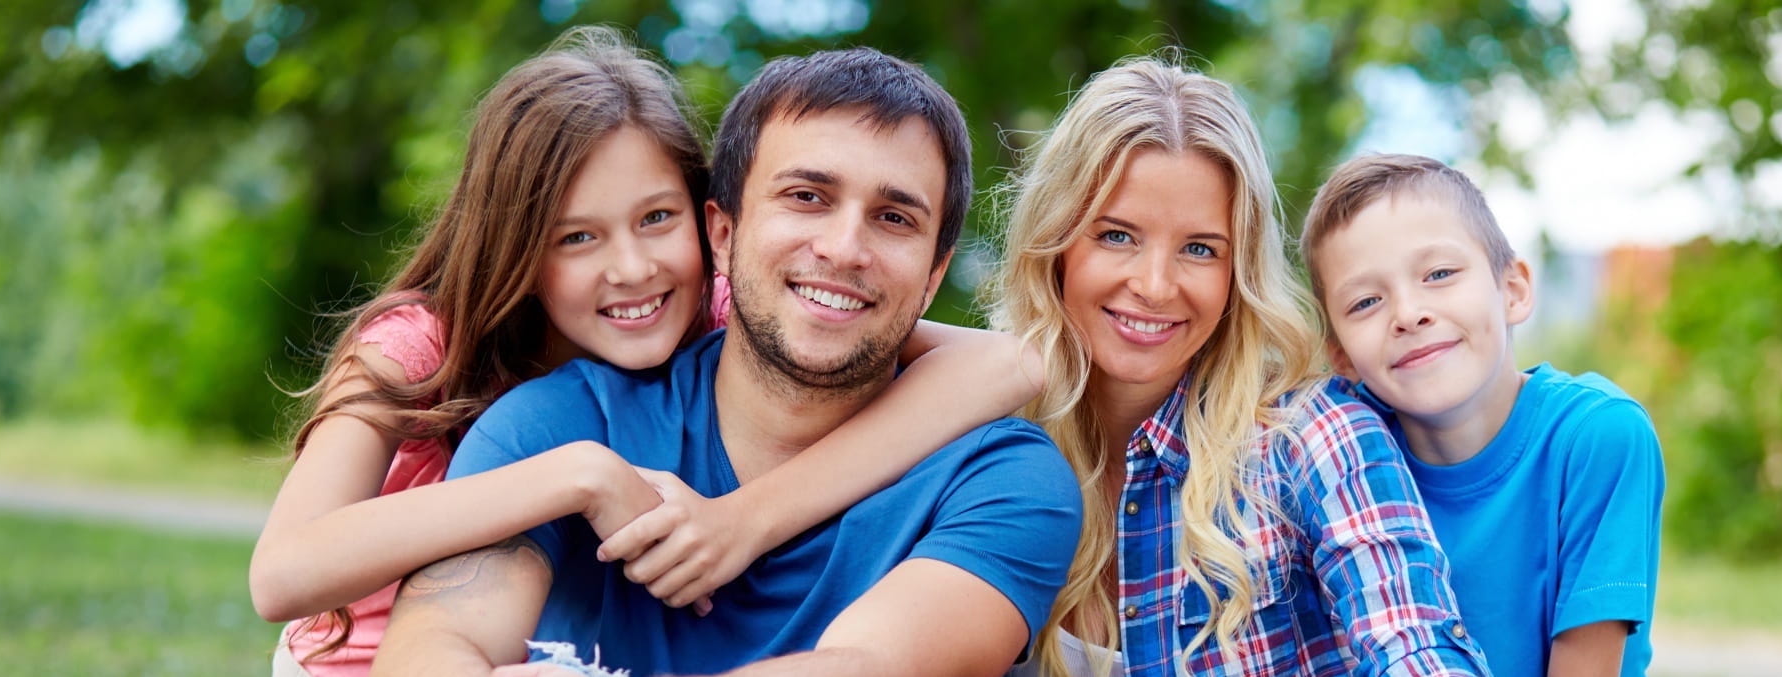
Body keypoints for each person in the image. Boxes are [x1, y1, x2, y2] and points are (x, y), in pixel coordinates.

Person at [251, 28, 1040, 676]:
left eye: (657, 219)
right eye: (577, 236)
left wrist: (743, 520)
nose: (632, 268)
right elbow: (283, 574)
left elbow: (1008, 363)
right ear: (517, 246)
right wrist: (580, 472)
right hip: (345, 650)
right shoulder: (418, 345)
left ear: (708, 230)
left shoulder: (731, 305)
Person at [981, 57, 1491, 676]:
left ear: (1238, 272)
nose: (1155, 285)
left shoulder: (1310, 435)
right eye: (1116, 235)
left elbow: (1410, 639)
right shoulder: (985, 438)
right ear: (1057, 241)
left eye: (1199, 249)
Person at [1297, 153, 1664, 677]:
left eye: (1439, 274)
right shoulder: (1341, 464)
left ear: (1512, 290)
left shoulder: (1598, 436)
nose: (1407, 314)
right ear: (1340, 356)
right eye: (1366, 302)